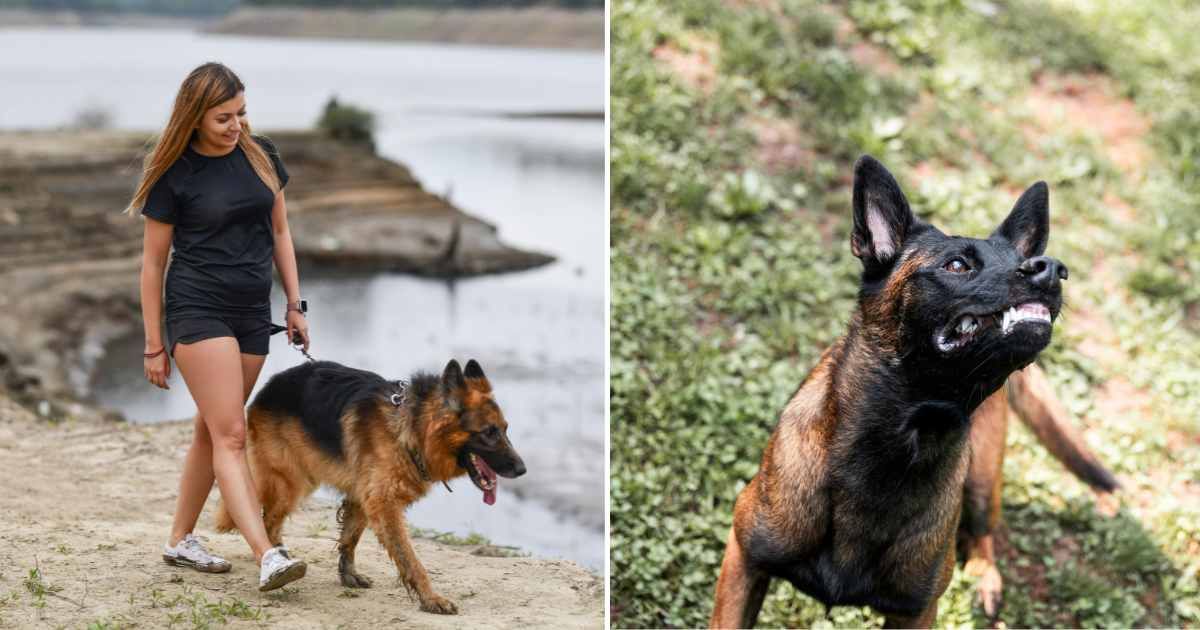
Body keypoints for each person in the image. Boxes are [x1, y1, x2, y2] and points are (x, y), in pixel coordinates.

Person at [127, 61, 310, 592]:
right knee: (232, 434)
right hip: (196, 307)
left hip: (252, 310)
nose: (237, 126)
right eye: (224, 117)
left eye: (242, 113)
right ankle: (267, 554)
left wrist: (295, 305)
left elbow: (280, 231)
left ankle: (180, 540)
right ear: (195, 117)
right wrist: (153, 345)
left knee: (211, 430)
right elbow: (152, 265)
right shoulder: (174, 174)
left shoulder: (261, 154)